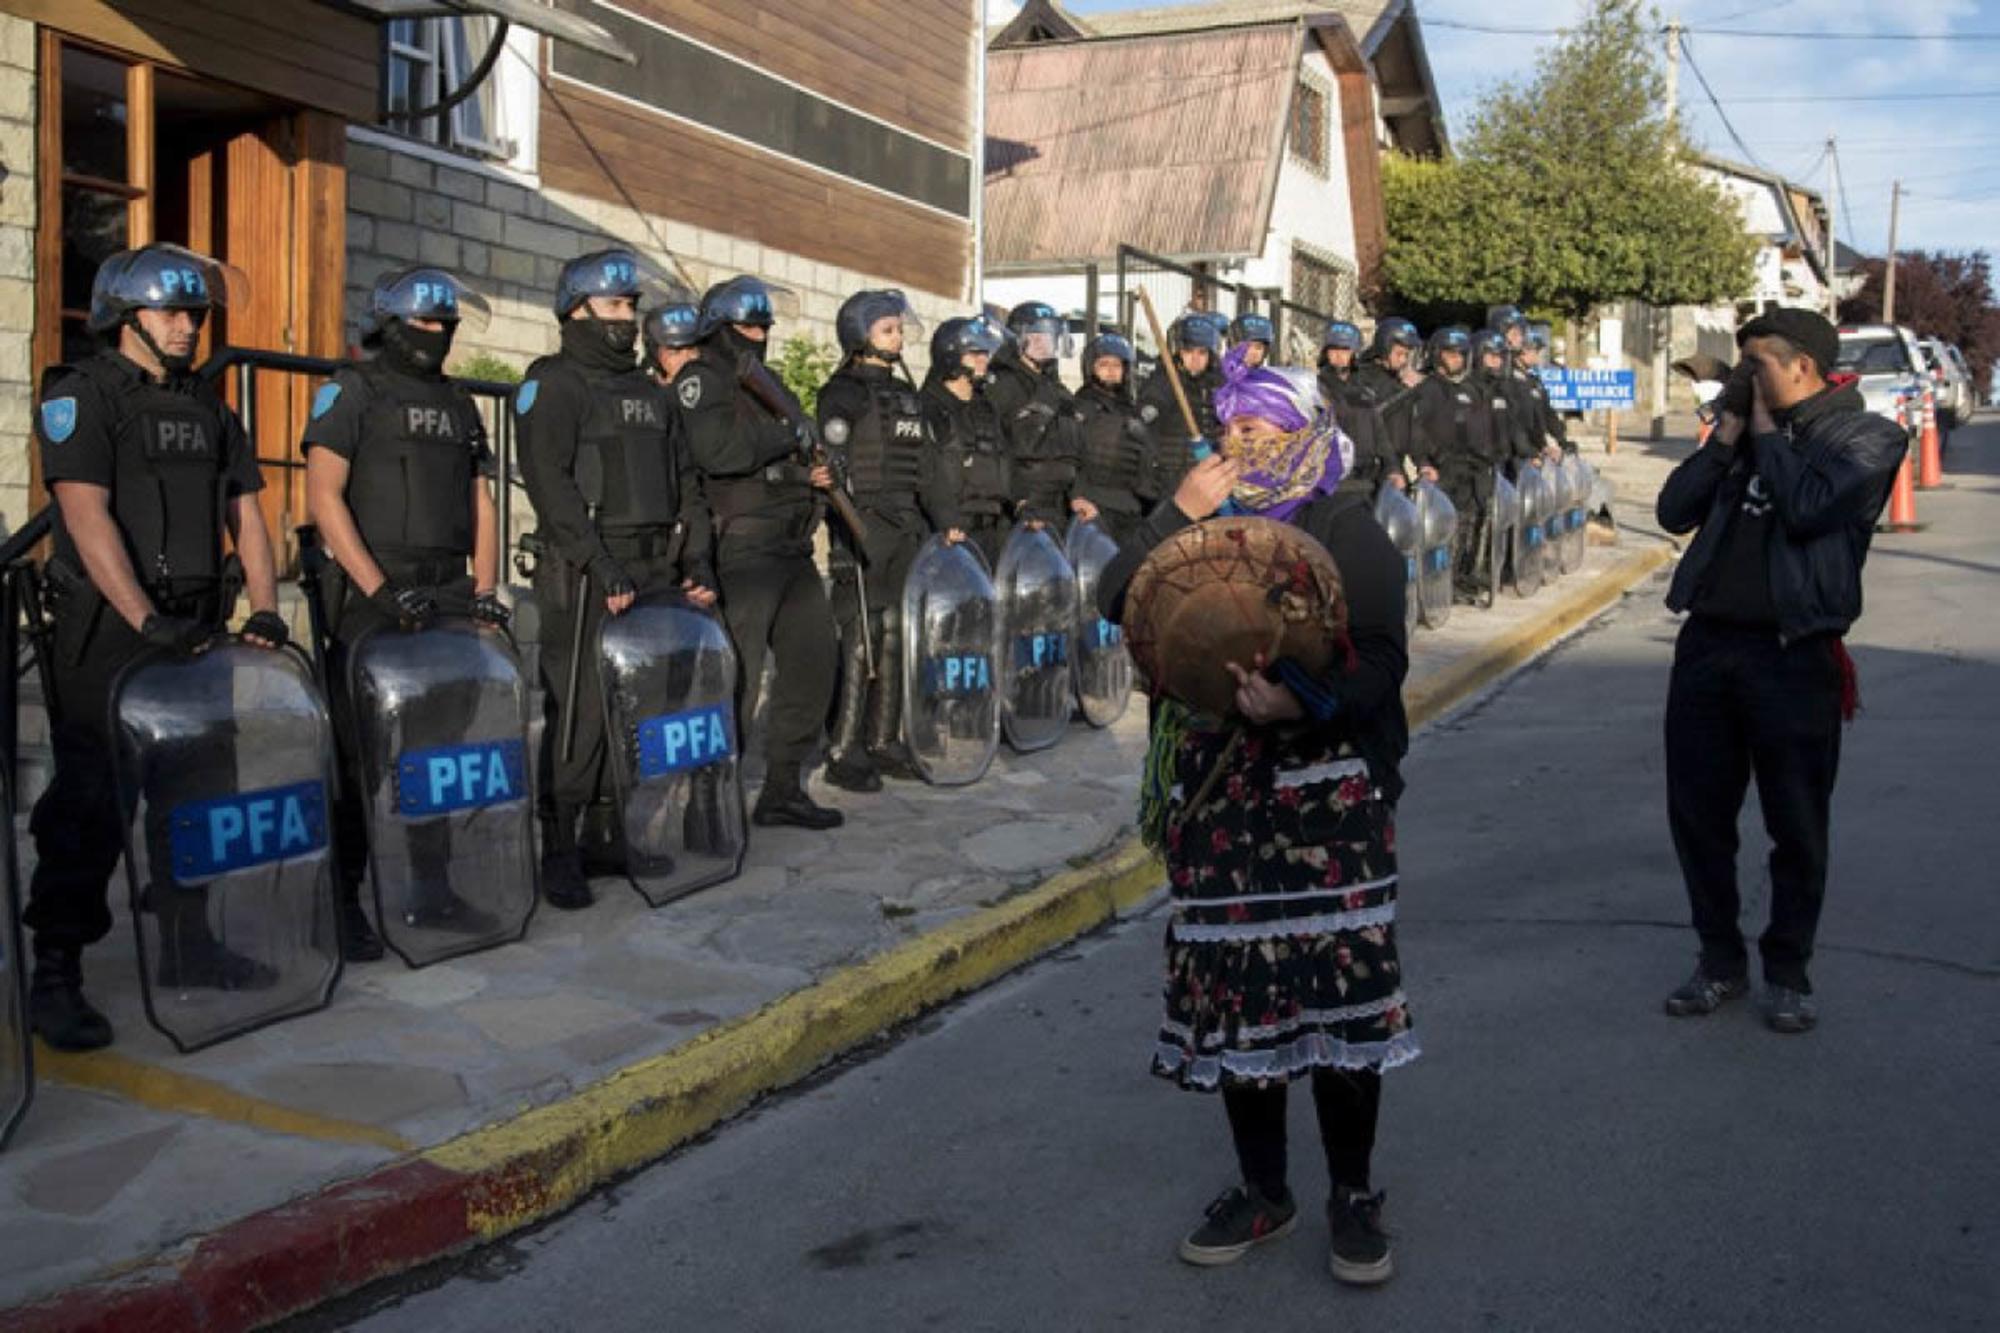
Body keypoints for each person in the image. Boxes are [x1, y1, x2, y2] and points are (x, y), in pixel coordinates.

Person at [1098, 345, 1414, 1286]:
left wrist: (1303, 703)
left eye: (1262, 429)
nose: (1244, 444)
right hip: (1216, 797)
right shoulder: (1203, 517)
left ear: (1305, 434)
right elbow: (1119, 596)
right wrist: (1176, 514)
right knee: (1241, 1004)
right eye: (1232, 430)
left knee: (1339, 995)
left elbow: (1384, 659)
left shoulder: (1344, 523)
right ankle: (1263, 1187)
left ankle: (1352, 1193)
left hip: (1325, 797)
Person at [26, 244, 290, 1050]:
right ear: (124, 316)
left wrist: (268, 607)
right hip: (111, 631)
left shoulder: (212, 408)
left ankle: (190, 939)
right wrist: (144, 618)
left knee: (200, 792)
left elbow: (246, 511)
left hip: (198, 627)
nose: (187, 327)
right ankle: (56, 972)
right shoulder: (84, 395)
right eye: (171, 313)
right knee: (92, 802)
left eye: (196, 315)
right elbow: (85, 515)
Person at [1655, 308, 1906, 1033]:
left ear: (1802, 366)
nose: (1743, 377)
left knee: (1795, 824)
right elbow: (1675, 510)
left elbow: (1806, 507)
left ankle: (1788, 970)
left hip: (1794, 656)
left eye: (1755, 363)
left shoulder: (1867, 438)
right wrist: (1725, 438)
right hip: (1709, 648)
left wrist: (1762, 431)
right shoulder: (1740, 432)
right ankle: (1719, 959)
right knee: (1698, 818)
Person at [302, 265, 506, 954]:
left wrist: (485, 589)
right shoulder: (351, 390)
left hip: (447, 594)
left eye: (444, 323)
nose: (437, 334)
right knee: (360, 757)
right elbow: (324, 495)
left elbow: (481, 499)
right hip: (374, 598)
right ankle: (340, 900)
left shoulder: (456, 401)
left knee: (436, 754)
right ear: (390, 324)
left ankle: (433, 888)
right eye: (423, 322)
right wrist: (376, 590)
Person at [515, 250, 718, 908]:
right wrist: (601, 565)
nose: (627, 319)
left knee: (638, 707)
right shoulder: (554, 383)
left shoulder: (648, 393)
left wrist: (696, 563)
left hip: (653, 566)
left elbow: (686, 480)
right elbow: (552, 485)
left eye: (631, 306)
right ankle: (560, 845)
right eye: (613, 306)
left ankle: (608, 833)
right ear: (576, 310)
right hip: (585, 569)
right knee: (579, 712)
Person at [676, 275, 843, 830]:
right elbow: (719, 451)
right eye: (748, 326)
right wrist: (790, 433)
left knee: (812, 665)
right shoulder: (700, 381)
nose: (759, 334)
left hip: (791, 547)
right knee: (736, 683)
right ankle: (707, 804)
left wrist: (812, 470)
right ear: (719, 330)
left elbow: (788, 449)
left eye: (764, 326)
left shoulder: (766, 382)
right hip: (741, 550)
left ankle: (782, 787)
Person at [816, 289, 961, 792]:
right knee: (861, 637)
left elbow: (929, 468)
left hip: (907, 529)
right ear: (860, 336)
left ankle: (882, 740)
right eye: (887, 329)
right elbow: (830, 471)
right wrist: (840, 534)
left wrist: (947, 519)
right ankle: (843, 747)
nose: (898, 336)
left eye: (899, 328)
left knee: (898, 631)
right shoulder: (841, 394)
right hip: (863, 527)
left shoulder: (908, 396)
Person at [1409, 326, 1500, 600]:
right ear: (1437, 356)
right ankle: (1440, 582)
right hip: (1443, 469)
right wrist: (1425, 461)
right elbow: (1417, 430)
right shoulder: (1429, 390)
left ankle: (1462, 575)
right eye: (1450, 355)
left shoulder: (1470, 389)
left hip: (1471, 468)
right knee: (1444, 529)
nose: (1455, 360)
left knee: (1470, 524)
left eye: (1460, 355)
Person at [986, 300, 1090, 531]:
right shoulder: (1000, 385)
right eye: (1035, 336)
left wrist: (1078, 494)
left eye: (1049, 336)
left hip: (1062, 504)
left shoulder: (1060, 392)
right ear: (1017, 339)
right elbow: (997, 448)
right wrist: (1018, 498)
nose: (1044, 343)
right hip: (1023, 503)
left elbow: (1077, 451)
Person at [922, 316, 1015, 570]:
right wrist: (946, 519)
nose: (984, 359)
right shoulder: (928, 407)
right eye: (975, 353)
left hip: (993, 532)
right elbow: (927, 471)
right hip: (950, 533)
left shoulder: (987, 409)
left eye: (985, 353)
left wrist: (1021, 503)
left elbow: (1005, 462)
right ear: (951, 356)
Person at [1071, 332, 1153, 547]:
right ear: (1091, 368)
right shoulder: (1079, 408)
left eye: (1117, 365)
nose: (1110, 371)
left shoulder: (1134, 412)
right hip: (1093, 507)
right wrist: (1077, 496)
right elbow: (1070, 459)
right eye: (1103, 364)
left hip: (1130, 509)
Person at [1138, 312, 1226, 491]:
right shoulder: (1165, 380)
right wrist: (1148, 411)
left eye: (1202, 353)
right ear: (1178, 352)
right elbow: (1153, 400)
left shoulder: (1219, 385)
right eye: (1188, 351)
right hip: (1168, 476)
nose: (1195, 359)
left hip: (1207, 473)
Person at [1317, 320, 1400, 499]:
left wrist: (1392, 467)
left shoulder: (1364, 391)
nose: (1339, 356)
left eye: (1345, 350)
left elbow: (1379, 433)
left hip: (1367, 478)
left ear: (1354, 353)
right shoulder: (1316, 389)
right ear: (1326, 352)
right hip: (1334, 480)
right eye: (1334, 350)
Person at [1353, 318, 1425, 492]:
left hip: (1394, 468)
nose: (1404, 360)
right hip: (1365, 470)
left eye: (1407, 355)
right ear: (1384, 349)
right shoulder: (1360, 378)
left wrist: (1424, 463)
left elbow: (1414, 431)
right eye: (1399, 354)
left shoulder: (1402, 384)